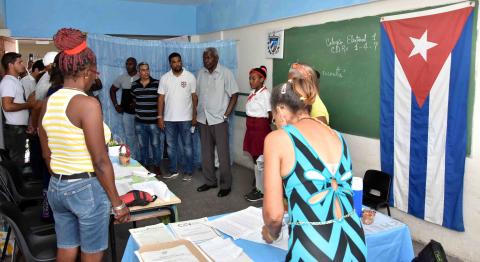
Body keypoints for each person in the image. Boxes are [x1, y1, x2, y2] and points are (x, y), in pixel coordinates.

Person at [38, 28, 130, 261]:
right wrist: (117, 204)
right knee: (92, 252)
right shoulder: (87, 104)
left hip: (57, 187)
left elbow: (45, 149)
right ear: (87, 71)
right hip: (86, 188)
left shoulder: (49, 101)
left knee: (67, 247)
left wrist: (61, 175)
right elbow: (100, 162)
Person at [262, 67, 367, 260]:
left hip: (314, 247)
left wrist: (271, 234)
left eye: (273, 114)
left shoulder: (277, 139)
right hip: (356, 242)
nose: (274, 119)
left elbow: (274, 216)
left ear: (281, 109)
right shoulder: (337, 136)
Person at [196, 47, 238, 198]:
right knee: (206, 154)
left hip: (219, 119)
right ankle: (210, 181)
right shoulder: (201, 73)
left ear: (216, 58)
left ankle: (226, 185)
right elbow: (197, 95)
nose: (206, 61)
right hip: (203, 118)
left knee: (222, 154)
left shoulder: (225, 73)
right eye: (204, 58)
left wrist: (226, 114)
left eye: (209, 58)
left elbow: (234, 94)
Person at [158, 52, 197, 181]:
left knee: (187, 146)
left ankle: (188, 171)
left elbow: (194, 97)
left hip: (186, 118)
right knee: (171, 147)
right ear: (170, 63)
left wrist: (194, 115)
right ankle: (173, 170)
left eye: (178, 61)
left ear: (181, 62)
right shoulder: (164, 78)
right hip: (169, 119)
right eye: (174, 62)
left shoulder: (190, 76)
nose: (177, 63)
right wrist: (160, 117)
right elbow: (161, 98)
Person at [0, 52, 35, 167]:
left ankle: (18, 183)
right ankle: (16, 185)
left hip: (18, 128)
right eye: (19, 62)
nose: (23, 65)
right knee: (16, 162)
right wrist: (28, 104)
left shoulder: (15, 81)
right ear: (10, 65)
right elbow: (7, 106)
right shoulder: (8, 82)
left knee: (18, 160)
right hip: (13, 129)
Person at [243, 66, 271, 202]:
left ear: (262, 79)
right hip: (251, 127)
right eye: (250, 78)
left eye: (253, 78)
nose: (251, 81)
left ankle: (263, 191)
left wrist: (265, 128)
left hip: (260, 128)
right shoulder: (252, 93)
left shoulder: (265, 94)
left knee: (260, 158)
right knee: (255, 157)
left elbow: (270, 113)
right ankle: (259, 186)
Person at [131, 62, 163, 175]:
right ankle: (144, 166)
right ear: (139, 72)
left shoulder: (157, 83)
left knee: (155, 145)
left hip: (154, 122)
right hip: (139, 122)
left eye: (147, 69)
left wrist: (160, 117)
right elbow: (135, 100)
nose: (146, 72)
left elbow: (161, 101)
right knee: (142, 146)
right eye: (143, 70)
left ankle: (157, 166)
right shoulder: (134, 85)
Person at [110, 57, 139, 159]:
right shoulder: (122, 77)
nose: (128, 66)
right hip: (127, 113)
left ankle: (143, 160)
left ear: (135, 65)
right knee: (129, 136)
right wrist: (116, 105)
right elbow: (112, 90)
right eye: (127, 63)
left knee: (141, 136)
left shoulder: (141, 76)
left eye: (130, 64)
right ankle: (133, 159)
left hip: (140, 113)